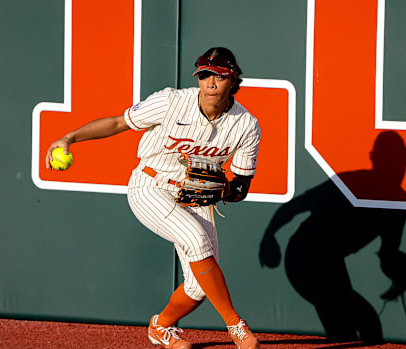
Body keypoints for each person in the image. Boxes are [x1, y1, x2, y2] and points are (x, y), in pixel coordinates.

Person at [45, 47, 261, 349]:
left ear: (233, 79)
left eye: (219, 76)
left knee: (199, 288)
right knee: (197, 241)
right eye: (204, 75)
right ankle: (236, 325)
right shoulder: (171, 102)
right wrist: (69, 138)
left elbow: (241, 185)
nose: (210, 83)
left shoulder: (246, 124)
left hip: (195, 197)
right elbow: (119, 122)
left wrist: (225, 190)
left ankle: (160, 326)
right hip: (151, 185)